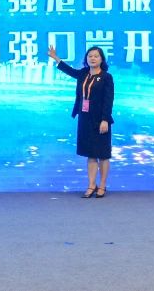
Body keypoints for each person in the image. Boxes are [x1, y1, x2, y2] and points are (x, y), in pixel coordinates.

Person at [47, 46, 115, 198]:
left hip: (100, 120)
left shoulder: (106, 77)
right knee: (91, 154)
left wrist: (105, 119)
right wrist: (56, 57)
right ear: (86, 59)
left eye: (96, 56)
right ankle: (91, 185)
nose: (92, 58)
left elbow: (108, 100)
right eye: (90, 56)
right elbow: (70, 71)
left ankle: (102, 185)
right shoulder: (83, 74)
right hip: (85, 118)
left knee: (103, 154)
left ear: (101, 59)